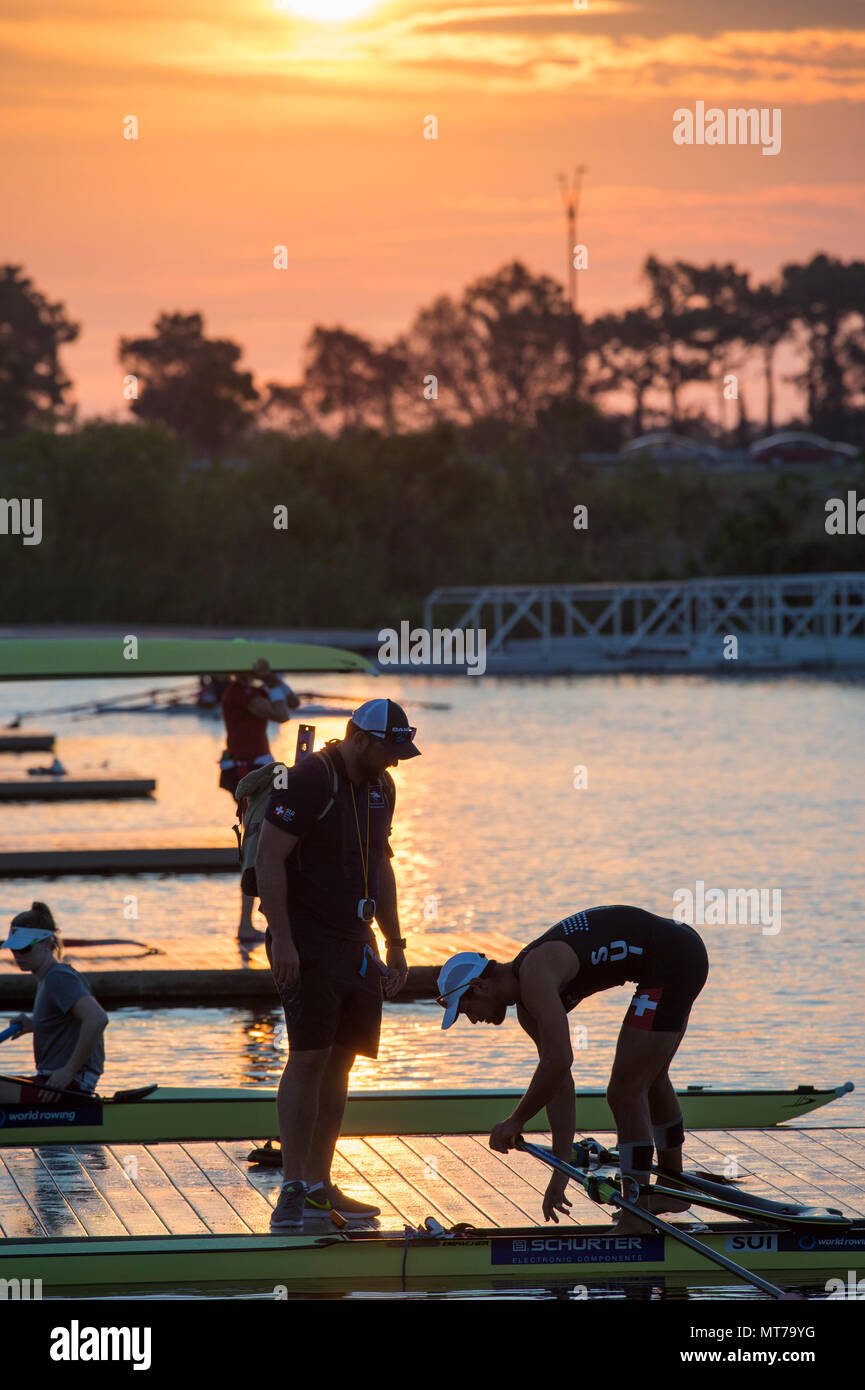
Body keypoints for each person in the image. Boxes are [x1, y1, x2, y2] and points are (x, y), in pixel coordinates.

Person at [436, 905, 709, 1235]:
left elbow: (559, 1060)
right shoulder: (527, 1007)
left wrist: (516, 1120)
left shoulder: (535, 974)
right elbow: (559, 1083)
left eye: (465, 1009)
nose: (471, 1018)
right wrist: (560, 1171)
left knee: (625, 1092)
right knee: (649, 1078)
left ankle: (636, 1217)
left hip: (674, 958)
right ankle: (670, 1189)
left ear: (480, 986)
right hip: (676, 954)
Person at [256, 698, 418, 1231]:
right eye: (390, 750)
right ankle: (294, 1189)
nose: (395, 761)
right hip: (305, 937)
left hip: (357, 939)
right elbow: (268, 859)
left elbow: (382, 864)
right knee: (307, 1057)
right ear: (361, 738)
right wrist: (281, 939)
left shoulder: (382, 789)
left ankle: (322, 1184)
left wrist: (394, 943)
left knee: (343, 1061)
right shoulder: (307, 780)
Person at [219, 658, 300, 942]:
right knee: (255, 842)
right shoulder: (238, 694)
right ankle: (245, 925)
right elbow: (283, 715)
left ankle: (256, 919)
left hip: (261, 770)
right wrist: (270, 683)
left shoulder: (254, 691)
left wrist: (272, 680)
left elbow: (293, 700)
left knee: (263, 840)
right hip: (249, 775)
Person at [3, 902, 108, 1094]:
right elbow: (67, 1022)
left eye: (25, 948)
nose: (18, 955)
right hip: (50, 1080)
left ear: (47, 943)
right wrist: (35, 1025)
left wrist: (68, 1071)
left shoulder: (58, 978)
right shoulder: (47, 978)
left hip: (70, 1084)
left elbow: (97, 1019)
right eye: (14, 949)